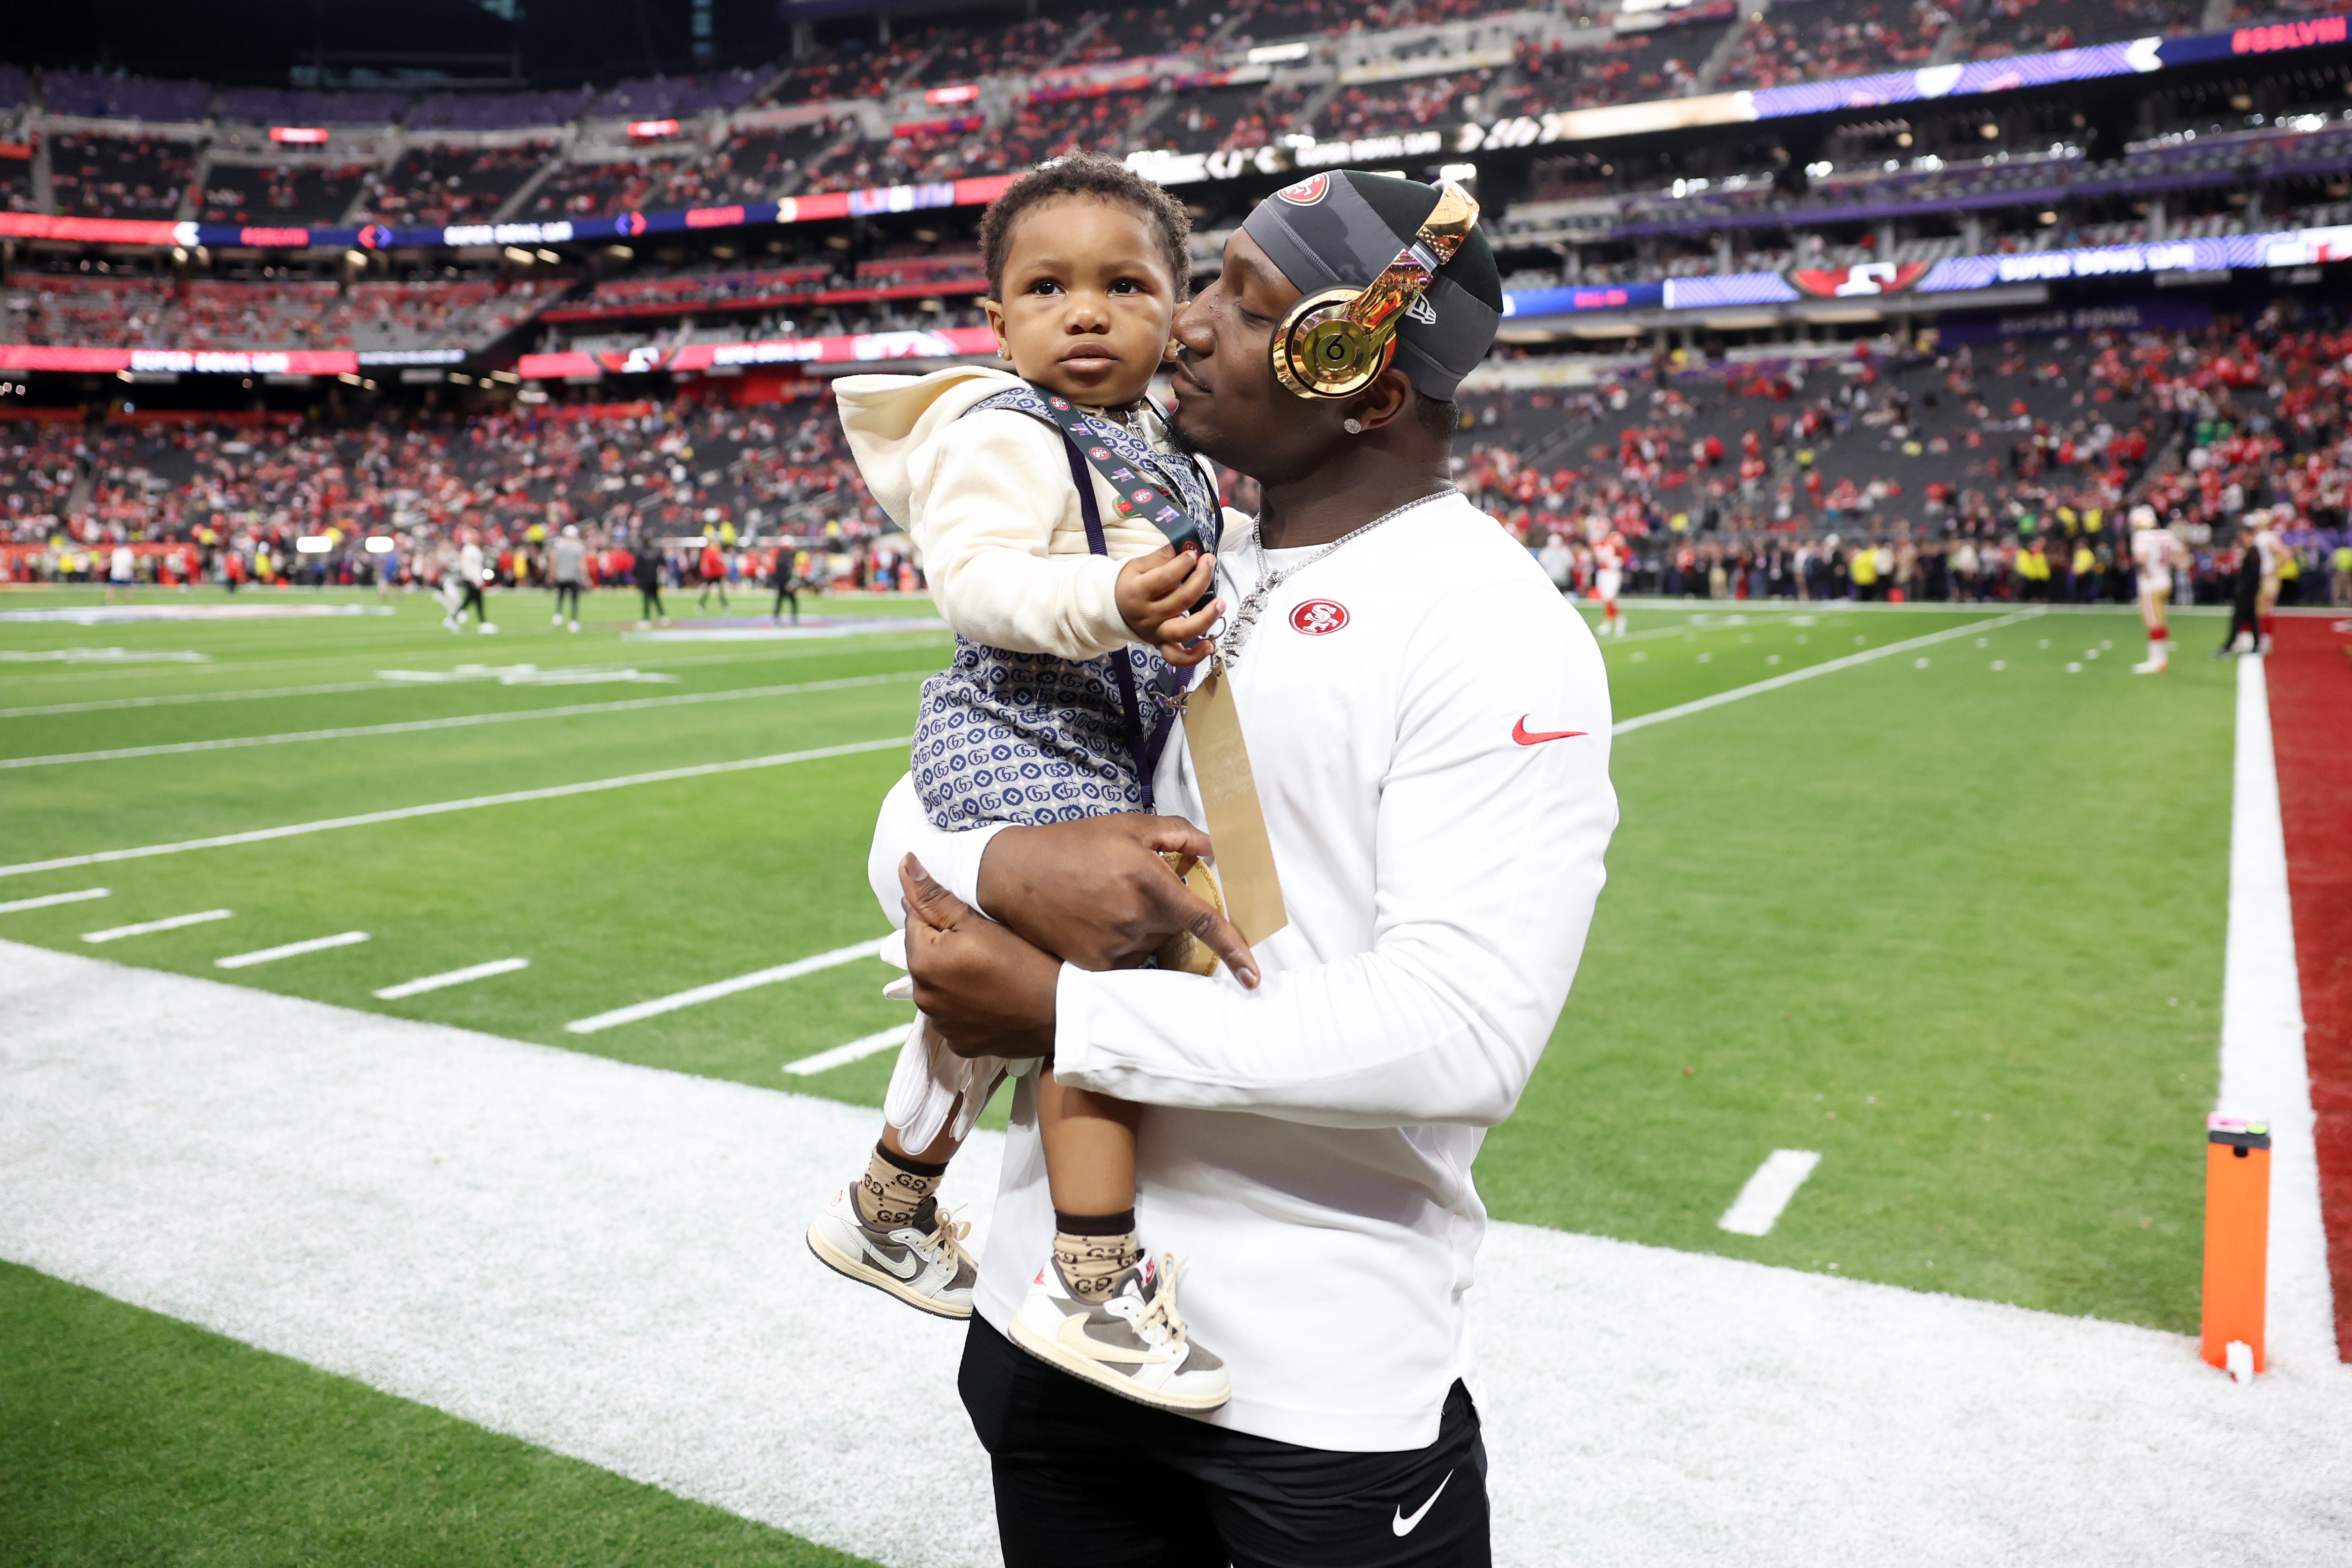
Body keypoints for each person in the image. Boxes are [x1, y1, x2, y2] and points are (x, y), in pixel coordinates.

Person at [886, 168, 1612, 1567]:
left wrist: (1065, 1013)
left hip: (1312, 1373)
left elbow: (1462, 1031)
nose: (1191, 325)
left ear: (1369, 391)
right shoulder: (1170, 553)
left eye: (1246, 306)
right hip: (1049, 1324)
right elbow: (930, 787)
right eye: (1208, 281)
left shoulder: (1490, 621)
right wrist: (990, 860)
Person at [808, 155, 1235, 1412]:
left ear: (1176, 308)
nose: (1087, 311)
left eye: (1125, 284)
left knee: (997, 992)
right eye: (1047, 287)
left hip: (1093, 734)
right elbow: (979, 584)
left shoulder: (1153, 438)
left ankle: (889, 1206)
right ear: (996, 323)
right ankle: (1092, 1284)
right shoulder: (1000, 427)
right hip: (1021, 726)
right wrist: (1110, 600)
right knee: (1095, 990)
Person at [2130, 504, 2179, 673]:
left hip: (2151, 586)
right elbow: (2180, 554)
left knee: (2153, 623)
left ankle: (2157, 661)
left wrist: (2148, 572)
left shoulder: (2142, 537)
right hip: (2166, 582)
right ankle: (2162, 660)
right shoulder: (2166, 535)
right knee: (2161, 621)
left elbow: (2141, 558)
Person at [446, 530, 494, 634]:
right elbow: (468, 567)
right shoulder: (469, 551)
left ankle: (452, 618)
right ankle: (483, 623)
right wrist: (474, 579)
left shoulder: (473, 549)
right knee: (477, 601)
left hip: (474, 579)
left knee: (469, 601)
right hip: (472, 580)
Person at [549, 523, 587, 632]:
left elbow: (554, 560)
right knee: (574, 600)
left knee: (560, 597)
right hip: (574, 576)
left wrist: (553, 573)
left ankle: (558, 616)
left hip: (561, 576)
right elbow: (581, 563)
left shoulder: (559, 545)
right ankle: (573, 621)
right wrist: (585, 576)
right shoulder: (578, 546)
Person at [1593, 527, 1628, 636]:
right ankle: (1620, 620)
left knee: (1609, 598)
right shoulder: (1598, 543)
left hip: (1613, 573)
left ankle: (1607, 624)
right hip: (1603, 572)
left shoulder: (1615, 538)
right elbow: (1597, 558)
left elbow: (1624, 553)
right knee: (1606, 599)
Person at [631, 534, 668, 629]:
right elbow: (664, 563)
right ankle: (662, 616)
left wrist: (637, 578)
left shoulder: (642, 554)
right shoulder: (655, 553)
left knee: (647, 600)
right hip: (654, 579)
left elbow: (636, 570)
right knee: (656, 598)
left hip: (646, 580)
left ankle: (646, 619)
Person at [695, 533, 729, 614]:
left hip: (718, 574)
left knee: (721, 592)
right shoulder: (709, 551)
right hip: (711, 574)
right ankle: (701, 605)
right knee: (707, 591)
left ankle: (725, 605)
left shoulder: (717, 550)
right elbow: (708, 563)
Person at [768, 546, 801, 626]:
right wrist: (787, 583)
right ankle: (779, 617)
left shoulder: (783, 559)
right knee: (783, 601)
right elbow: (783, 573)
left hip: (785, 583)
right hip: (784, 584)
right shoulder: (784, 560)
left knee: (786, 601)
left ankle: (780, 617)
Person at [104, 541, 135, 605]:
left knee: (128, 587)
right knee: (113, 587)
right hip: (117, 572)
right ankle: (108, 601)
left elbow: (130, 563)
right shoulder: (116, 551)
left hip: (125, 572)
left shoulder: (128, 552)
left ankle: (130, 601)